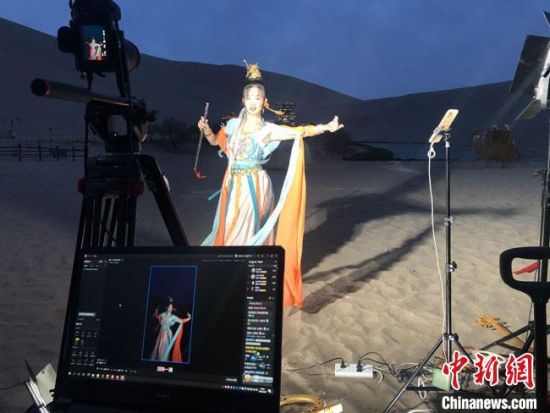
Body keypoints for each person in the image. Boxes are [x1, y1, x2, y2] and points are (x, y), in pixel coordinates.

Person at [198, 63, 343, 308]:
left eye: (258, 97)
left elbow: (298, 131)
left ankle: (238, 282)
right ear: (243, 100)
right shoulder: (233, 125)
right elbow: (216, 143)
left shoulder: (269, 130)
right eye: (249, 97)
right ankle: (234, 277)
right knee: (228, 229)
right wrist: (206, 131)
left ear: (265, 101)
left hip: (254, 186)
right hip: (232, 185)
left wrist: (326, 127)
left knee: (242, 232)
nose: (253, 101)